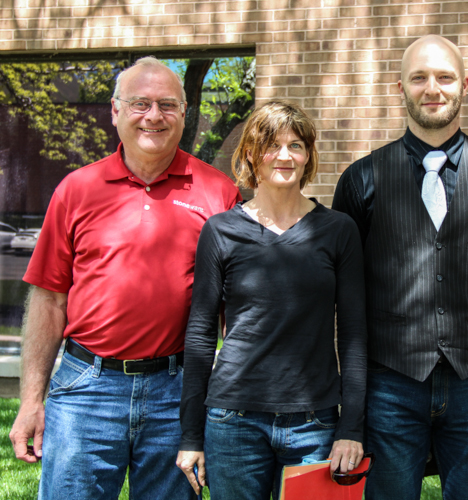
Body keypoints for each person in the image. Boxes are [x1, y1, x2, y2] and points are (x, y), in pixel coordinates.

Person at [7, 57, 241, 499]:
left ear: (185, 113)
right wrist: (31, 401)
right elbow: (49, 300)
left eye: (168, 105)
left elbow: (234, 309)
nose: (154, 116)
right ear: (115, 112)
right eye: (140, 104)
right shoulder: (78, 189)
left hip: (179, 392)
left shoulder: (218, 193)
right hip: (86, 390)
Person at [332, 35, 468, 500]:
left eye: (445, 77)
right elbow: (349, 293)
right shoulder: (361, 179)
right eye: (419, 77)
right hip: (389, 383)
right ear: (399, 88)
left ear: (465, 85)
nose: (433, 88)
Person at [176, 100, 368, 500]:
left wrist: (350, 429)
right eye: (272, 145)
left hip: (313, 421)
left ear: (308, 156)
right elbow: (199, 335)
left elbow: (353, 335)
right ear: (250, 154)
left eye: (296, 145)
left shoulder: (338, 230)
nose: (284, 156)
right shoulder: (221, 230)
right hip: (233, 419)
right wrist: (192, 434)